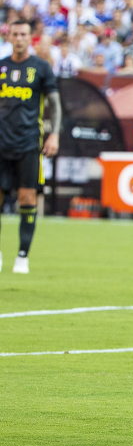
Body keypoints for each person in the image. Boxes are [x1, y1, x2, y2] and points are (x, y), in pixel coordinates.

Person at [0, 21, 61, 274]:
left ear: (30, 38)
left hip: (28, 142)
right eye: (15, 34)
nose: (19, 38)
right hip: (1, 142)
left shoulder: (41, 68)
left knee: (27, 197)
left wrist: (54, 135)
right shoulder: (2, 66)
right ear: (9, 36)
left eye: (23, 34)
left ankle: (22, 255)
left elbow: (55, 104)